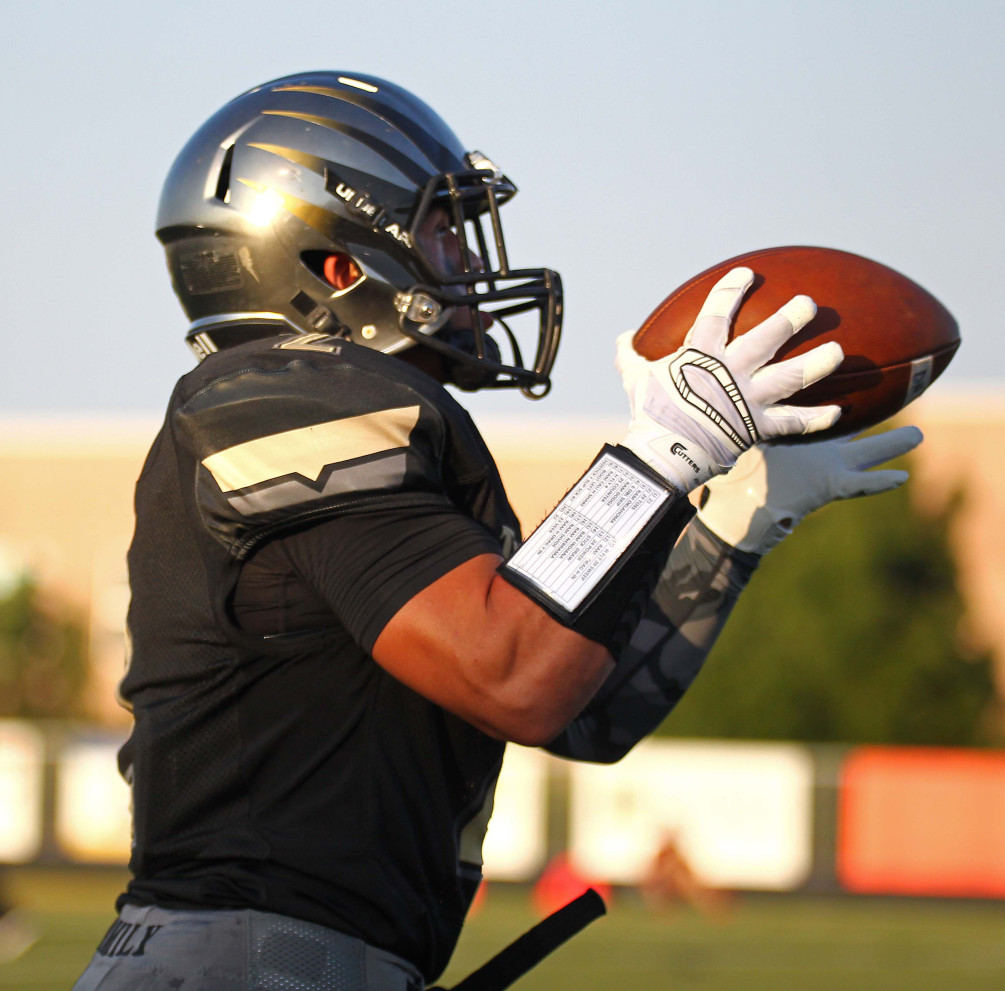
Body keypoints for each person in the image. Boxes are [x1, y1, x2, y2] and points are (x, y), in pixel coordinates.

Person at [71, 71, 921, 991]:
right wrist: (667, 453)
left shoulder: (357, 415)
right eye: (443, 227)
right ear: (336, 265)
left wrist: (733, 525)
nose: (471, 261)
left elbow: (581, 703)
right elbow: (514, 671)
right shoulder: (277, 391)